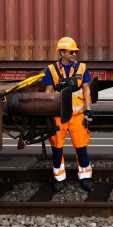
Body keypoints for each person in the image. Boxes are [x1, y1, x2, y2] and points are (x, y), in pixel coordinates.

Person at [42, 36, 94, 192]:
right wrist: (48, 114)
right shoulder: (51, 70)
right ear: (62, 52)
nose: (74, 55)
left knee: (81, 147)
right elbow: (49, 92)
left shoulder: (82, 68)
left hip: (78, 115)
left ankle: (85, 178)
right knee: (57, 148)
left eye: (75, 52)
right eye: (71, 52)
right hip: (58, 115)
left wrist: (88, 110)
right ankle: (59, 178)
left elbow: (86, 89)